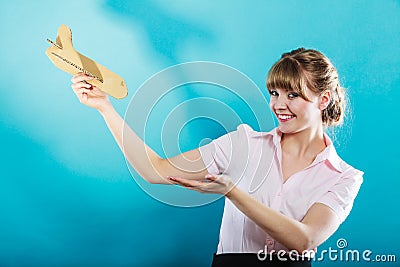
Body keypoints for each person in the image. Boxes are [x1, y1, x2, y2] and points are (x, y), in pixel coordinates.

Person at [70, 48, 363, 266]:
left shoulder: (343, 177)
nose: (279, 105)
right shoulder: (243, 144)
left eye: (292, 95)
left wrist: (233, 193)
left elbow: (305, 241)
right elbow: (154, 170)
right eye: (274, 93)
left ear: (323, 100)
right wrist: (105, 109)